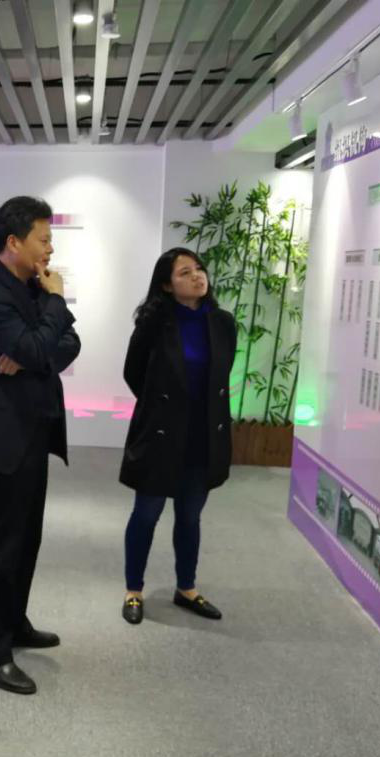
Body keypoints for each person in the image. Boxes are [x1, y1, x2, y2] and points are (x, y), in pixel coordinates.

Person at [0, 196, 80, 696]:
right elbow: (37, 344)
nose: (50, 250)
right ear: (13, 242)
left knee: (27, 537)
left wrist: (31, 351)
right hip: (1, 438)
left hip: (33, 431)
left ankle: (13, 621)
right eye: (43, 240)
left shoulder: (31, 289)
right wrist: (50, 314)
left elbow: (69, 344)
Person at [119, 247, 237, 625]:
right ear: (167, 285)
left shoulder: (222, 322)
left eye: (199, 269)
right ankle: (134, 590)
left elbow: (221, 374)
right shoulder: (153, 324)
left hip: (203, 435)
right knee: (146, 514)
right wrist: (162, 407)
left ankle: (186, 588)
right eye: (185, 272)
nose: (197, 276)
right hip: (161, 433)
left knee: (190, 516)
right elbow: (134, 373)